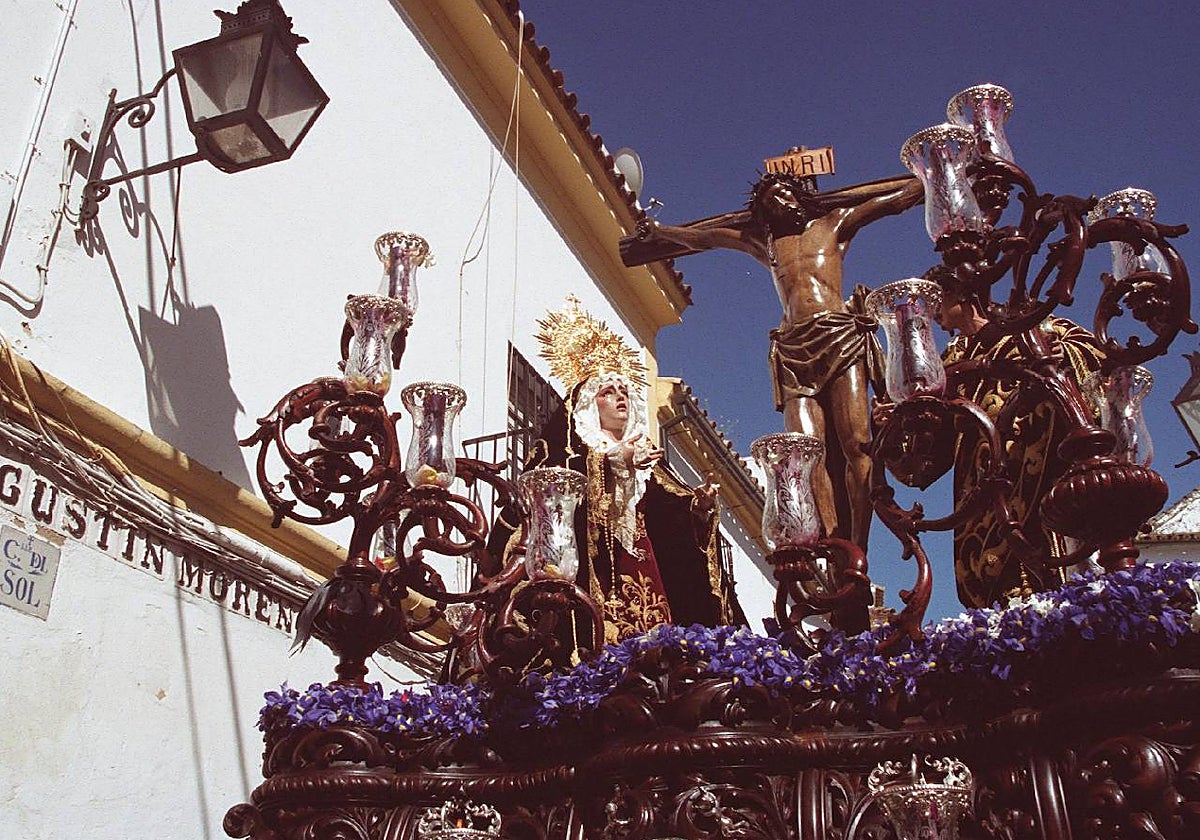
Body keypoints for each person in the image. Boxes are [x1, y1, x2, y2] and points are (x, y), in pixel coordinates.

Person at [635, 172, 923, 551]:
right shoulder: (766, 244)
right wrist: (662, 231)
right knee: (805, 450)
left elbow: (894, 201)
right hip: (793, 349)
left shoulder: (834, 223)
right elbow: (706, 238)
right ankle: (833, 541)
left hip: (839, 336)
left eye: (785, 194)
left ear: (800, 197)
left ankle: (859, 541)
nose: (780, 203)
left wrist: (930, 175)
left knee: (857, 442)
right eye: (770, 201)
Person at [488, 300, 744, 644]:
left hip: (643, 566)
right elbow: (550, 497)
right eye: (609, 392)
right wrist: (611, 463)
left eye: (625, 391)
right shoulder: (568, 451)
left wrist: (697, 509)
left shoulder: (647, 458)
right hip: (589, 574)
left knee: (656, 644)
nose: (621, 397)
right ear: (589, 404)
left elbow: (668, 518)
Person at [928, 278, 1105, 608]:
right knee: (1000, 590)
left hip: (1038, 473)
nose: (931, 313)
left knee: (1051, 571)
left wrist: (1057, 354)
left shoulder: (1030, 326)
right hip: (980, 496)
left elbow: (1093, 351)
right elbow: (930, 455)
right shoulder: (945, 364)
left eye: (935, 299)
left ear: (960, 293)